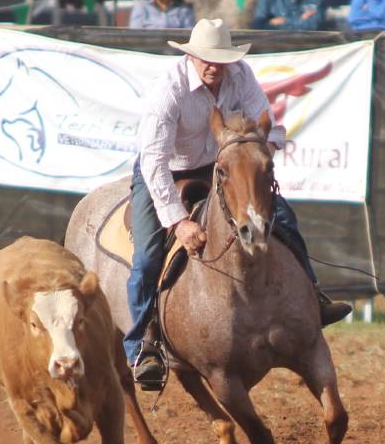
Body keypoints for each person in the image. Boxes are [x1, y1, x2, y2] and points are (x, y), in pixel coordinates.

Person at [127, 19, 353, 384]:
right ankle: (142, 345)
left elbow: (271, 128)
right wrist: (179, 221)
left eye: (220, 59)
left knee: (284, 218)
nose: (213, 65)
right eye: (205, 58)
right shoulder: (169, 91)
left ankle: (314, 298)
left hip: (220, 166)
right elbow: (153, 161)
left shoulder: (241, 75)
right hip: (164, 169)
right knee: (150, 253)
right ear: (191, 56)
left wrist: (255, 155)